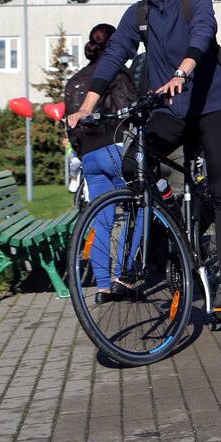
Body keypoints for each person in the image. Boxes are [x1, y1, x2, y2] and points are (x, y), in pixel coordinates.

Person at [66, 0, 221, 316]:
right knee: (133, 164)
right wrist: (86, 106)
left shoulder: (195, 1)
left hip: (214, 107)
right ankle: (175, 214)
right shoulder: (138, 14)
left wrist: (184, 70)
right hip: (172, 111)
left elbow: (203, 33)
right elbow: (115, 56)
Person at [64, 23, 137, 302]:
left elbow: (70, 126)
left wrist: (83, 154)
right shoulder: (115, 73)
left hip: (90, 158)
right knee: (137, 208)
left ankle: (103, 287)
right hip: (114, 149)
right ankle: (124, 275)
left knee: (102, 222)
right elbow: (126, 112)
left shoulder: (74, 81)